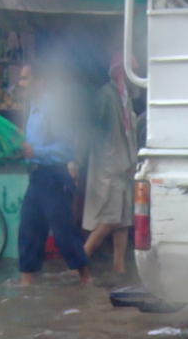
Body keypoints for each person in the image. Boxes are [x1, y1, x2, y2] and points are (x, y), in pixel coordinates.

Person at [16, 63, 92, 286]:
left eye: (25, 79)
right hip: (36, 176)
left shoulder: (52, 108)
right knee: (28, 231)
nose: (21, 84)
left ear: (40, 81)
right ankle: (26, 286)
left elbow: (67, 148)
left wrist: (35, 151)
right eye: (21, 79)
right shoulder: (33, 108)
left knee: (64, 234)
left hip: (54, 178)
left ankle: (87, 280)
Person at [82, 53, 138, 278]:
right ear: (120, 72)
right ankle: (79, 261)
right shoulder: (106, 95)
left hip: (125, 167)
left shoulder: (126, 98)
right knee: (110, 219)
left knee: (123, 221)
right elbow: (93, 128)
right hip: (110, 168)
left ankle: (119, 268)